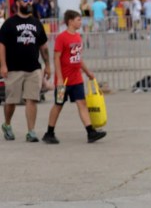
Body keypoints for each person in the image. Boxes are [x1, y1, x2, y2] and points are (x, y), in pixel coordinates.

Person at [41, 10, 106, 144]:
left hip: (76, 79)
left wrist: (88, 72)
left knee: (81, 103)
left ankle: (90, 132)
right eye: (78, 20)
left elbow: (78, 58)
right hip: (63, 81)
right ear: (70, 21)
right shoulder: (62, 38)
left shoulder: (77, 37)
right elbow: (56, 58)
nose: (80, 22)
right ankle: (49, 132)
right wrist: (58, 78)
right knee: (58, 105)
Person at [0, 0, 50, 143]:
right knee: (11, 101)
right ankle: (7, 124)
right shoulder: (9, 23)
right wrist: (3, 65)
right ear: (17, 3)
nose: (29, 2)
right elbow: (1, 45)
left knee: (32, 99)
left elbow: (43, 46)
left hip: (33, 68)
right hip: (14, 68)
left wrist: (47, 65)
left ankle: (31, 131)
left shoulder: (36, 23)